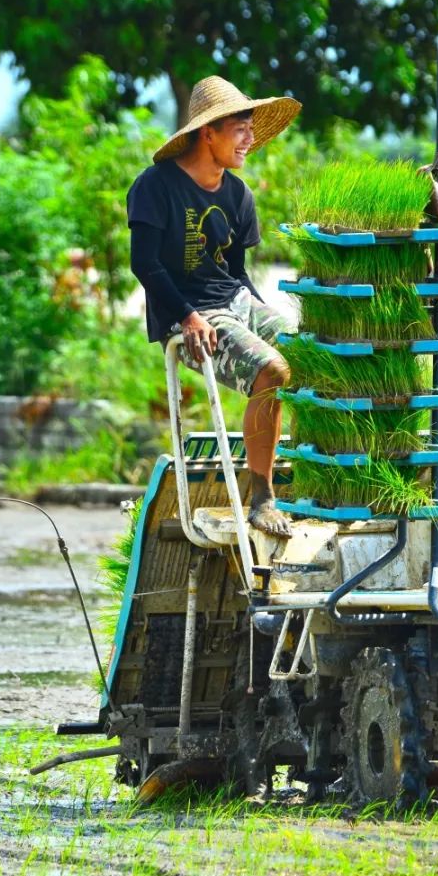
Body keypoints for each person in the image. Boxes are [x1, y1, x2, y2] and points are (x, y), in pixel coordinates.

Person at [126, 75, 302, 537]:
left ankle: (312, 474)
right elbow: (144, 264)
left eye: (251, 130)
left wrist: (264, 318)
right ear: (209, 133)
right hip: (185, 315)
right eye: (240, 130)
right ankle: (262, 497)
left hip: (232, 301)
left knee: (311, 353)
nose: (249, 140)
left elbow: (237, 275)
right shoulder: (156, 186)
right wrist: (187, 316)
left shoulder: (239, 194)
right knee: (272, 370)